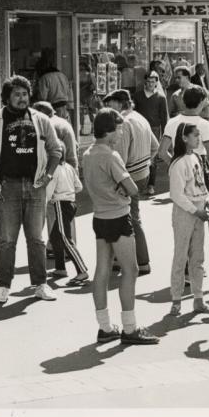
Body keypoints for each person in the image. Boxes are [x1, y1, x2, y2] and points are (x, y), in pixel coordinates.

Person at [0, 75, 62, 303]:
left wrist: (48, 175)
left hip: (35, 187)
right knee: (7, 240)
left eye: (25, 94)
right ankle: (3, 287)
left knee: (36, 239)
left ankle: (41, 284)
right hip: (6, 187)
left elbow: (56, 150)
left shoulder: (41, 120)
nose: (22, 99)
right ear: (7, 98)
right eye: (17, 94)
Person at [82, 108, 159, 345]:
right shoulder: (110, 155)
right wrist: (122, 188)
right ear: (109, 130)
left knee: (102, 271)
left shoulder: (88, 153)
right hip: (118, 215)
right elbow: (133, 189)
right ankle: (129, 327)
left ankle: (104, 326)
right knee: (130, 270)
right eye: (119, 127)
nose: (122, 131)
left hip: (100, 216)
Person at [103, 89, 159, 275]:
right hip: (141, 173)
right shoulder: (140, 118)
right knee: (127, 217)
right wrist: (146, 162)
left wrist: (116, 182)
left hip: (130, 176)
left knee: (130, 218)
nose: (108, 109)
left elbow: (120, 159)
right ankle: (120, 259)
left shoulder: (124, 123)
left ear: (119, 104)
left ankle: (142, 261)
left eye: (110, 104)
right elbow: (155, 146)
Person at [168, 123, 209, 317]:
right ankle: (176, 300)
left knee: (198, 258)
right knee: (181, 257)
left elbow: (199, 186)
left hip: (199, 211)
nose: (199, 138)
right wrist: (196, 211)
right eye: (195, 135)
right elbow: (177, 195)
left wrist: (207, 204)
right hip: (184, 214)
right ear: (184, 138)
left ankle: (198, 299)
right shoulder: (178, 163)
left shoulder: (195, 157)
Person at [46, 141, 88, 284]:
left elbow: (49, 191)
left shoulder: (54, 170)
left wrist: (48, 199)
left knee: (65, 238)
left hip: (60, 204)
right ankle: (60, 268)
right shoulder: (69, 167)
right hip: (71, 203)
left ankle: (82, 271)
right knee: (55, 236)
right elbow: (79, 186)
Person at [158, 86, 209, 175]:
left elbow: (162, 152)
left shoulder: (172, 122)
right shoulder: (204, 124)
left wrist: (175, 166)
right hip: (199, 171)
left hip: (178, 170)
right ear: (201, 102)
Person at [133, 71, 169, 196]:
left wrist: (165, 134)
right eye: (148, 82)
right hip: (139, 129)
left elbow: (164, 117)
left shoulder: (161, 97)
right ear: (144, 82)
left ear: (156, 83)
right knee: (138, 155)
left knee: (152, 158)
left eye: (152, 82)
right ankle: (139, 184)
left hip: (154, 129)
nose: (150, 84)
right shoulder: (137, 96)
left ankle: (151, 185)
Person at [32, 102, 78, 171]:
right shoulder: (64, 122)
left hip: (59, 170)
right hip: (71, 167)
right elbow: (76, 146)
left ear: (41, 112)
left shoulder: (48, 124)